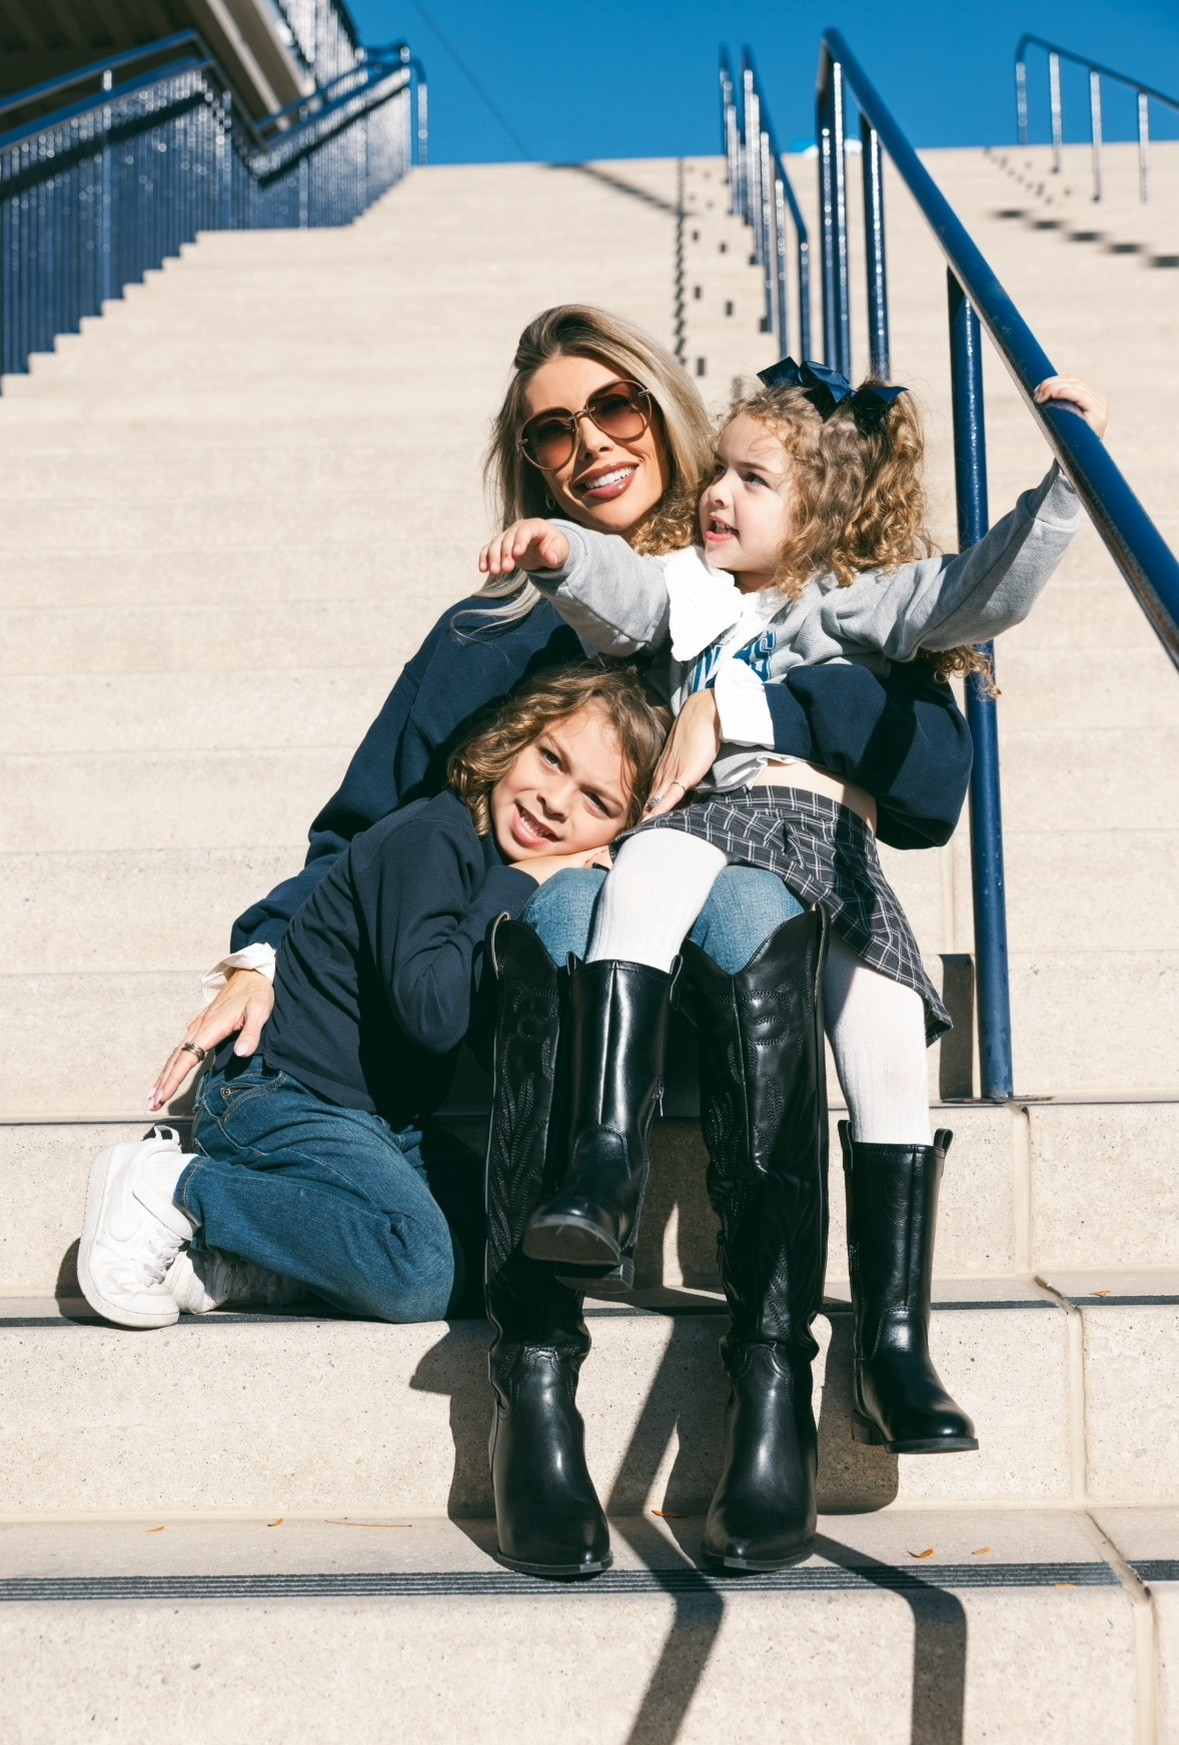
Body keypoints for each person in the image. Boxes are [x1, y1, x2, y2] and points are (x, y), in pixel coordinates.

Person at [478, 355, 1107, 1576]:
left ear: (818, 511)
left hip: (832, 863)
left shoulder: (848, 610)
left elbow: (970, 592)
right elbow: (622, 592)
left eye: (750, 479)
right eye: (716, 472)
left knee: (887, 1050)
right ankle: (605, 1160)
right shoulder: (691, 590)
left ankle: (890, 1339)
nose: (717, 494)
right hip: (712, 837)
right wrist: (559, 552)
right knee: (654, 873)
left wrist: (1066, 490)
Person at [78, 665, 669, 1331]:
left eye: (595, 801)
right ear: (513, 739)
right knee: (416, 1270)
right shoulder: (432, 840)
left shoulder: (492, 861)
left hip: (381, 1123)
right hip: (280, 1095)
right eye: (551, 759)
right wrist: (519, 882)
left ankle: (246, 1265)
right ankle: (170, 1190)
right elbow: (431, 1013)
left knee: (513, 1254)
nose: (556, 800)